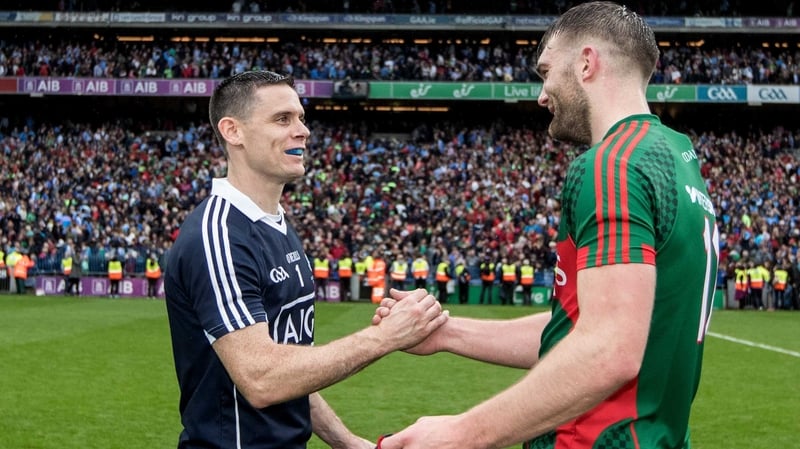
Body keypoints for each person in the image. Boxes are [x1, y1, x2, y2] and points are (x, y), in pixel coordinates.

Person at [376, 3, 720, 448]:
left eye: (545, 71)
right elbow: (585, 323)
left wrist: (462, 433)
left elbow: (609, 349)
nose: (541, 94)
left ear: (585, 63)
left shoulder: (611, 164)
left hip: (595, 438)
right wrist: (448, 333)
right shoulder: (677, 155)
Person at [163, 70, 447, 449]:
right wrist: (385, 337)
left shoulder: (277, 226)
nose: (303, 131)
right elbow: (262, 379)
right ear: (233, 131)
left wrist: (348, 442)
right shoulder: (219, 236)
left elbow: (293, 369)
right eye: (282, 119)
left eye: (301, 118)